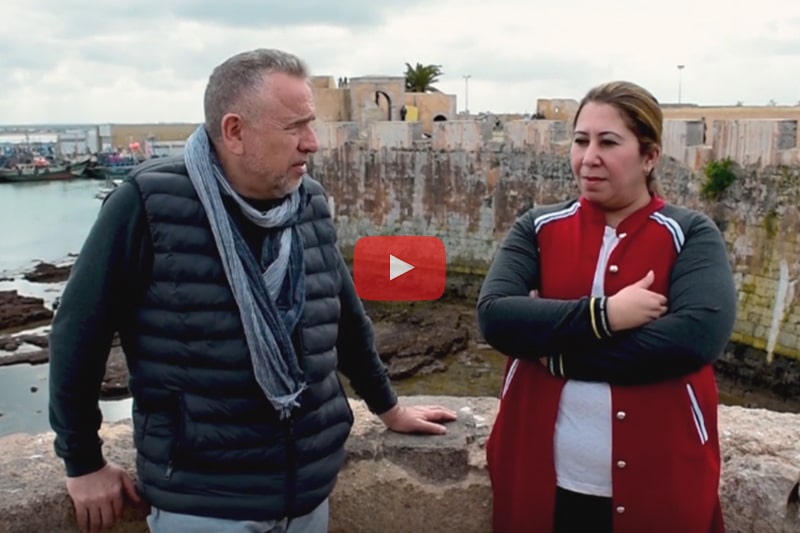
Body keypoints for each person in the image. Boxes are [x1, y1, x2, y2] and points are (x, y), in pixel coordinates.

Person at [48, 48, 457, 533]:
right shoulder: (147, 204)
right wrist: (82, 461)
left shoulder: (308, 202)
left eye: (312, 123)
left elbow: (344, 319)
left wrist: (388, 408)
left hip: (307, 490)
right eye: (294, 127)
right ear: (235, 132)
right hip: (204, 502)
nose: (312, 143)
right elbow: (79, 334)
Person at [476, 80, 736, 533]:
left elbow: (694, 339)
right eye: (581, 140)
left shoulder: (691, 234)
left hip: (662, 483)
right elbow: (496, 317)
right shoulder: (537, 228)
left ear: (650, 156)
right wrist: (607, 316)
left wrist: (552, 352)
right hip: (539, 478)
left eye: (608, 142)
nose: (588, 157)